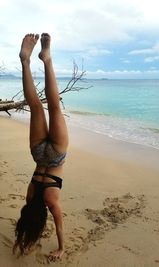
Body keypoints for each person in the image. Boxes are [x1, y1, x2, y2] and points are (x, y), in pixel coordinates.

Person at [13, 33, 68, 261]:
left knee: (54, 106)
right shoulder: (30, 195)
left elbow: (59, 226)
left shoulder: (51, 201)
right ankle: (26, 61)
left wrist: (61, 248)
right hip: (38, 155)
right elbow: (30, 219)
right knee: (36, 106)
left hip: (55, 155)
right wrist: (26, 238)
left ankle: (47, 59)